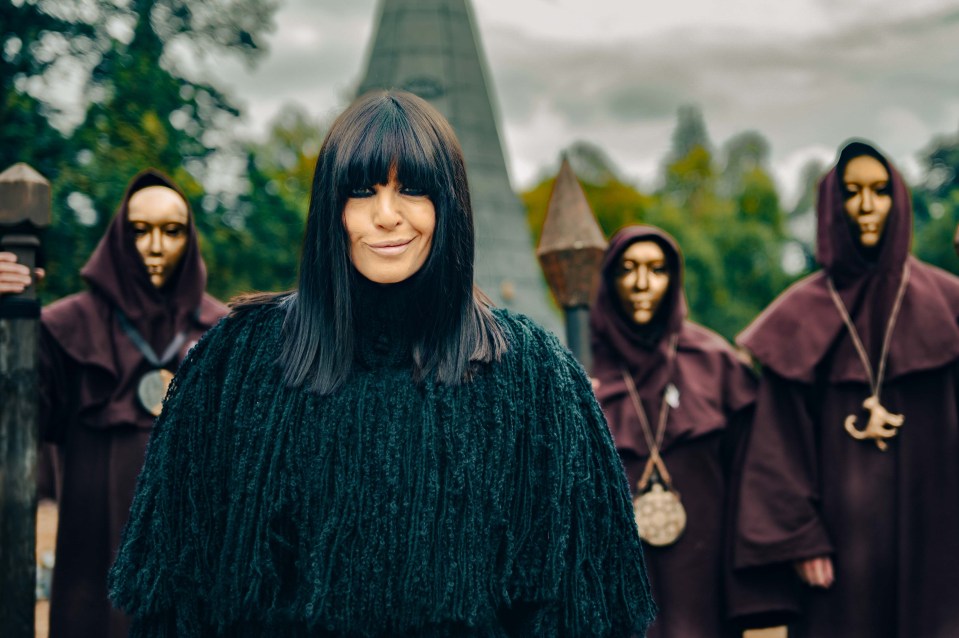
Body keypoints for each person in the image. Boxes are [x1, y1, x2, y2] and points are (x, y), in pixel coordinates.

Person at [108, 90, 656, 637]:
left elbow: (583, 612)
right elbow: (175, 598)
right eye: (361, 191)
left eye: (412, 189)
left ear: (450, 205)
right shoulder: (236, 365)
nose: (387, 215)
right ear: (332, 209)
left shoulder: (534, 378)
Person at [733, 140, 959, 637]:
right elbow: (776, 445)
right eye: (851, 193)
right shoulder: (799, 314)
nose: (865, 205)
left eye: (878, 191)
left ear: (897, 200)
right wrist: (800, 538)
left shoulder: (949, 302)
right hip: (839, 548)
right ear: (832, 206)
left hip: (937, 529)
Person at [0, 169, 229, 638]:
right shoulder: (65, 330)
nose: (156, 247)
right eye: (139, 231)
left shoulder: (225, 333)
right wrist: (9, 319)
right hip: (94, 566)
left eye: (172, 231)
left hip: (195, 566)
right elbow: (14, 421)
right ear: (118, 239)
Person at [589, 225, 759, 637]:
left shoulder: (716, 364)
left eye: (656, 269)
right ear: (610, 281)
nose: (643, 283)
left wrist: (759, 604)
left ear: (674, 278)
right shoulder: (580, 376)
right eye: (628, 269)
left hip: (710, 582)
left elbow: (756, 485)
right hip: (622, 592)